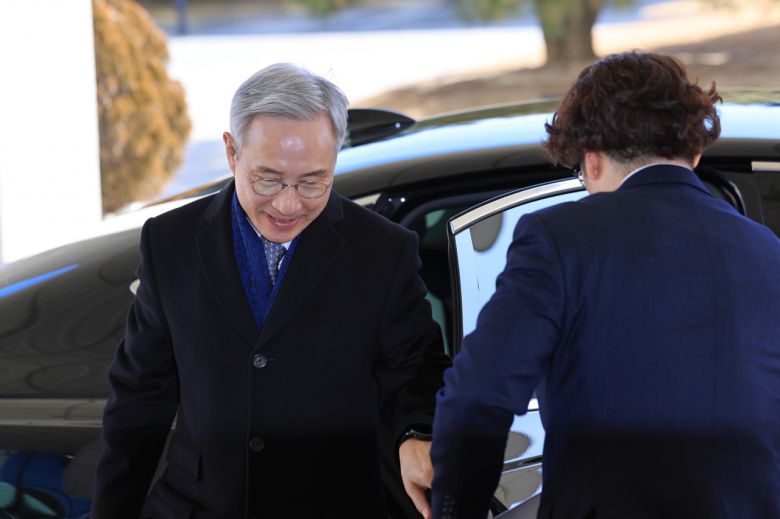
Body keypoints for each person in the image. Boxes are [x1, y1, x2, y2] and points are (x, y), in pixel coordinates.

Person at [430, 51, 780, 519]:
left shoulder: (557, 238)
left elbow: (477, 400)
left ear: (591, 162)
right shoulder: (767, 250)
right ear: (695, 154)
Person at [92, 63, 449, 519]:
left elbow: (415, 367)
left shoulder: (383, 250)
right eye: (268, 179)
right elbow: (138, 402)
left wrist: (416, 434)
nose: (287, 204)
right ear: (231, 152)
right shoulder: (170, 243)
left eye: (312, 182)